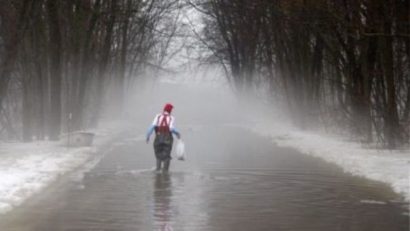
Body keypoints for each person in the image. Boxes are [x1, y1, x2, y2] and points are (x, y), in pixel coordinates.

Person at [146, 103, 181, 172]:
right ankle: (165, 173)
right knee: (166, 156)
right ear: (170, 111)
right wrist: (177, 133)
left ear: (164, 109)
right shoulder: (171, 118)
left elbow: (152, 126)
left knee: (158, 155)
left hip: (158, 137)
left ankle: (158, 171)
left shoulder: (158, 116)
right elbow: (171, 128)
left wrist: (148, 136)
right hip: (167, 138)